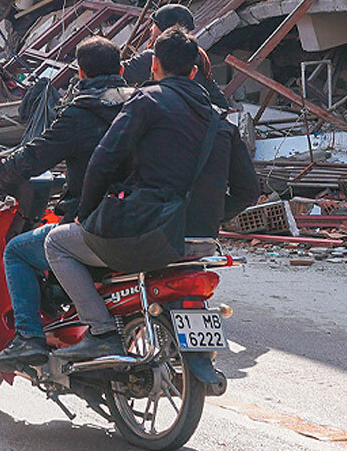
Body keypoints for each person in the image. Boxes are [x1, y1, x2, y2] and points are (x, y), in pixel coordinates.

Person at [45, 27, 261, 361]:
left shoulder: (146, 101)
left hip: (151, 234)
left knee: (56, 242)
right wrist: (209, 214)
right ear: (193, 71)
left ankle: (101, 331)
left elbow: (103, 161)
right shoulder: (222, 121)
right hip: (201, 243)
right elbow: (248, 190)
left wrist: (85, 215)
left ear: (154, 65)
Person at [0, 37, 134, 370]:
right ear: (121, 70)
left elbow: (32, 157)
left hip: (99, 224)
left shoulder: (80, 114)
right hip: (145, 217)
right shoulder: (140, 108)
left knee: (17, 250)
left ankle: (29, 338)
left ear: (79, 72)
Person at [121, 4, 227, 109]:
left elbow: (118, 71)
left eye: (155, 24)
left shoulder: (153, 57)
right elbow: (220, 102)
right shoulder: (197, 56)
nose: (151, 29)